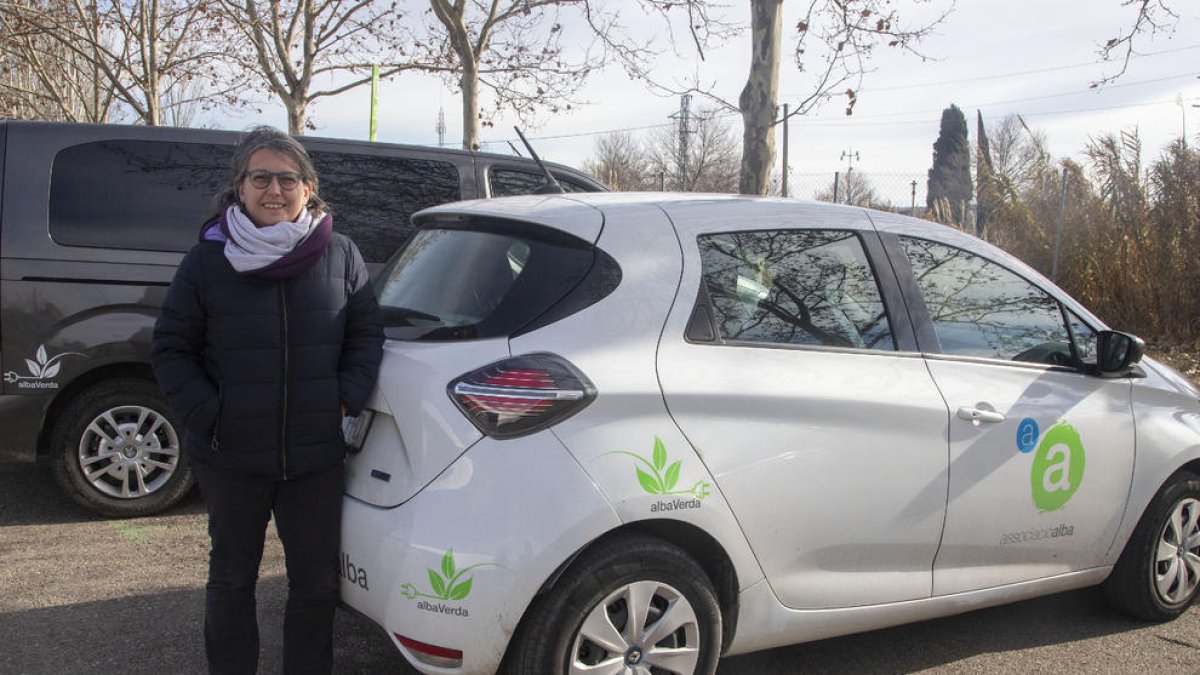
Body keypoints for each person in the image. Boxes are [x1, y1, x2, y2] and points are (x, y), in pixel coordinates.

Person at [150, 126, 384, 674]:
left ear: (309, 188)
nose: (273, 190)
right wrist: (211, 414)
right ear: (240, 186)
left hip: (314, 458)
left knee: (315, 583)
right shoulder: (208, 261)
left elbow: (365, 335)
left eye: (287, 178)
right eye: (260, 178)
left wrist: (343, 398)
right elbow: (171, 349)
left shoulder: (341, 254)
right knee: (232, 578)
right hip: (232, 455)